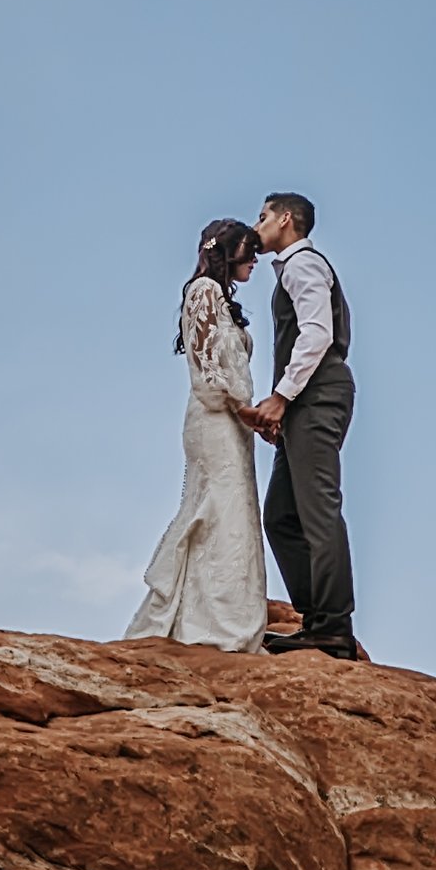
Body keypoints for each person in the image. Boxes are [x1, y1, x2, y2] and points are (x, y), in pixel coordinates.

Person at [125, 220, 272, 649]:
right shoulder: (204, 291)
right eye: (249, 250)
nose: (255, 259)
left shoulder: (223, 300)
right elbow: (206, 365)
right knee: (221, 507)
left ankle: (213, 614)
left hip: (231, 420)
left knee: (234, 507)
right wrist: (242, 409)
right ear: (228, 251)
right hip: (214, 417)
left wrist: (250, 416)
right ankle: (218, 623)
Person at [248, 193, 356, 660]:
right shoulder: (291, 269)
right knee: (282, 516)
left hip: (318, 393)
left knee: (318, 511)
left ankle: (333, 629)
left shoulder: (303, 264)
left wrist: (282, 396)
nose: (258, 225)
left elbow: (317, 333)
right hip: (304, 403)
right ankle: (317, 620)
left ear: (286, 219)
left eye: (263, 215)